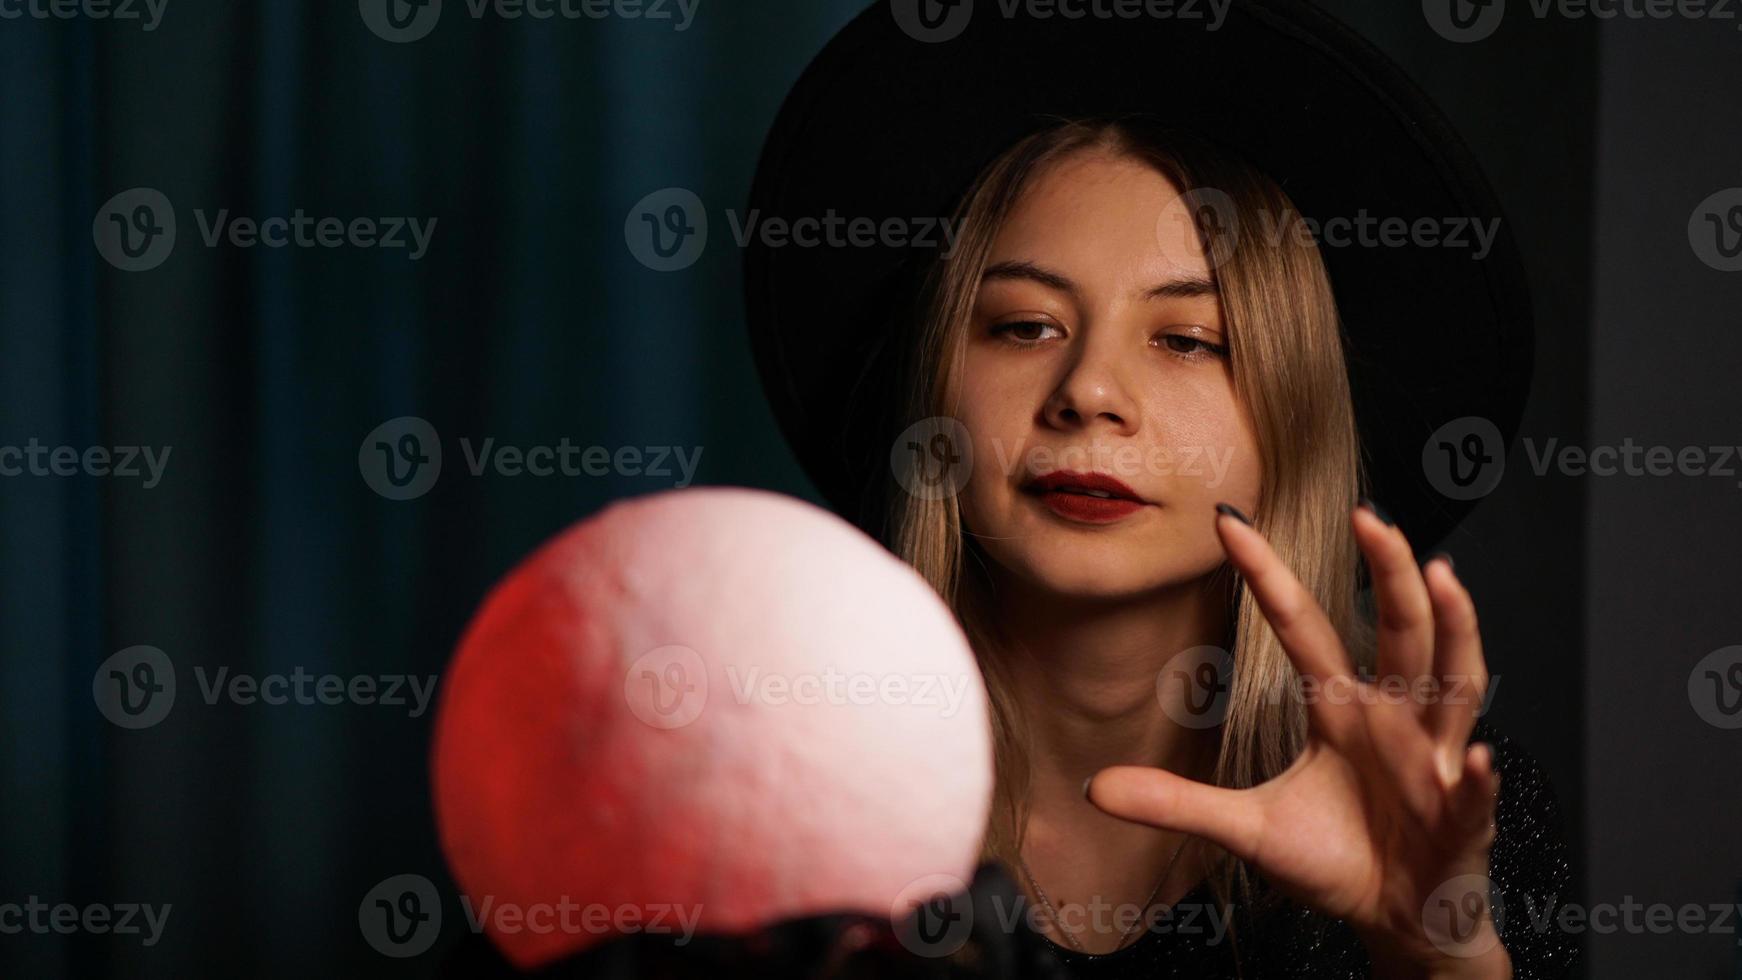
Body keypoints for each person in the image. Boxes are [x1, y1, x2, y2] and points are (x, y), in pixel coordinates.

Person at [741, 3, 1580, 977]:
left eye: (1187, 340)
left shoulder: (1453, 812)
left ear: (1293, 421)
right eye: (1023, 325)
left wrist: (1431, 954)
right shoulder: (768, 799)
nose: (1088, 391)